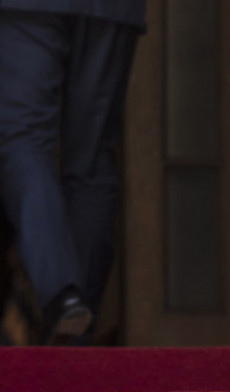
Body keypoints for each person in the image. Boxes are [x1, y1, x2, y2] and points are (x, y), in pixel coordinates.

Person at [0, 1, 145, 344]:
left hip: (27, 7)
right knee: (92, 161)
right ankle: (74, 339)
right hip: (112, 10)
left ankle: (62, 294)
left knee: (22, 140)